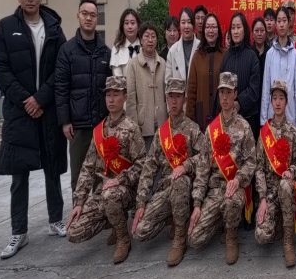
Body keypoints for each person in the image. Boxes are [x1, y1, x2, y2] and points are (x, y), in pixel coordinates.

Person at [0, 0, 68, 259]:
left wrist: (41, 98)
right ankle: (18, 232)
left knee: (52, 167)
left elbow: (61, 68)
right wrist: (26, 99)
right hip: (20, 110)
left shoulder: (54, 28)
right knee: (19, 172)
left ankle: (55, 219)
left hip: (46, 109)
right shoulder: (6, 28)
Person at [66, 76, 146, 264]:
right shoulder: (99, 131)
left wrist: (120, 179)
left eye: (116, 94)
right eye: (108, 95)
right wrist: (79, 201)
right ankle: (112, 220)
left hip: (126, 190)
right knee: (73, 232)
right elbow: (87, 167)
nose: (111, 99)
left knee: (111, 195)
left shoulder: (131, 128)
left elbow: (142, 163)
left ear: (124, 97)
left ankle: (123, 237)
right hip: (103, 191)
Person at [132, 78, 205, 267]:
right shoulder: (161, 134)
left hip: (186, 188)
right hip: (166, 189)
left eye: (178, 97)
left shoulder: (192, 129)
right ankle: (172, 216)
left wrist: (186, 165)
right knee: (141, 231)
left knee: (180, 181)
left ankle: (180, 237)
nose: (174, 101)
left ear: (184, 100)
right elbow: (148, 169)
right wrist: (141, 203)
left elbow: (206, 157)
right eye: (170, 96)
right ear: (166, 99)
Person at [188, 72, 257, 265]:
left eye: (228, 92)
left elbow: (251, 162)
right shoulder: (211, 130)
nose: (224, 97)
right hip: (216, 189)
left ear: (235, 94)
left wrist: (238, 179)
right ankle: (220, 219)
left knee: (231, 202)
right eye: (221, 93)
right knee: (194, 239)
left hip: (236, 187)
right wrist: (197, 204)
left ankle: (231, 235)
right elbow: (202, 169)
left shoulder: (244, 127)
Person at [55, 0, 112, 193]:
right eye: (85, 14)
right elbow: (61, 87)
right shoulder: (67, 50)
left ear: (97, 19)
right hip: (78, 126)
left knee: (101, 173)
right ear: (78, 16)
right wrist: (65, 121)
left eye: (93, 15)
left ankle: (97, 210)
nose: (88, 18)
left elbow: (110, 89)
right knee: (79, 176)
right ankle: (79, 211)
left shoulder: (105, 52)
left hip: (101, 125)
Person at [255, 80, 296, 268]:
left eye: (281, 98)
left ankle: (288, 241)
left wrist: (291, 171)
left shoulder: (293, 132)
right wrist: (262, 199)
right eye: (274, 98)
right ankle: (277, 220)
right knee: (261, 236)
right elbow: (259, 168)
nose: (277, 102)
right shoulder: (264, 133)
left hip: (287, 191)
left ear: (286, 101)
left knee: (285, 185)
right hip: (270, 194)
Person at [218, 12, 261, 139]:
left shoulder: (252, 56)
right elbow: (221, 87)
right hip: (227, 118)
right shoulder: (226, 56)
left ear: (245, 30)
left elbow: (254, 89)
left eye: (238, 27)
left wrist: (239, 103)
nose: (235, 31)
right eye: (233, 28)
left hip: (248, 118)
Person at [260, 6, 296, 131]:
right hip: (272, 115)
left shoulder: (295, 54)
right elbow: (266, 88)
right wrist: (263, 120)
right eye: (279, 21)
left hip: (290, 115)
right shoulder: (270, 54)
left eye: (284, 20)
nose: (282, 24)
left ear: (289, 23)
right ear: (275, 24)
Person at [126, 22, 167, 151]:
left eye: (153, 36)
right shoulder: (133, 64)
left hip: (161, 123)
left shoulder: (163, 63)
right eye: (147, 36)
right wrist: (133, 126)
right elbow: (130, 97)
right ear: (141, 40)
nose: (150, 40)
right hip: (142, 125)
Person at [186, 13, 225, 129]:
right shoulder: (197, 56)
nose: (210, 30)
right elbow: (191, 90)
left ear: (218, 31)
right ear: (203, 31)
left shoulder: (225, 55)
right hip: (201, 115)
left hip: (221, 114)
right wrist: (189, 117)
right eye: (207, 27)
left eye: (213, 27)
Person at [165, 7, 199, 84]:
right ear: (179, 25)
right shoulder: (173, 50)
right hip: (177, 91)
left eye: (189, 22)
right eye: (183, 22)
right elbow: (168, 81)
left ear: (193, 24)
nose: (186, 26)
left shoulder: (201, 47)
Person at [252, 17, 270, 133]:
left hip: (267, 103)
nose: (259, 34)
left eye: (262, 31)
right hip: (252, 106)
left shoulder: (271, 53)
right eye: (256, 31)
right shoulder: (249, 53)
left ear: (266, 32)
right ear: (252, 33)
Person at [110, 9, 141, 77]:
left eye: (132, 23)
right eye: (126, 23)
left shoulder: (145, 47)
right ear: (122, 26)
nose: (130, 26)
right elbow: (117, 76)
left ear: (138, 26)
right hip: (123, 84)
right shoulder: (116, 49)